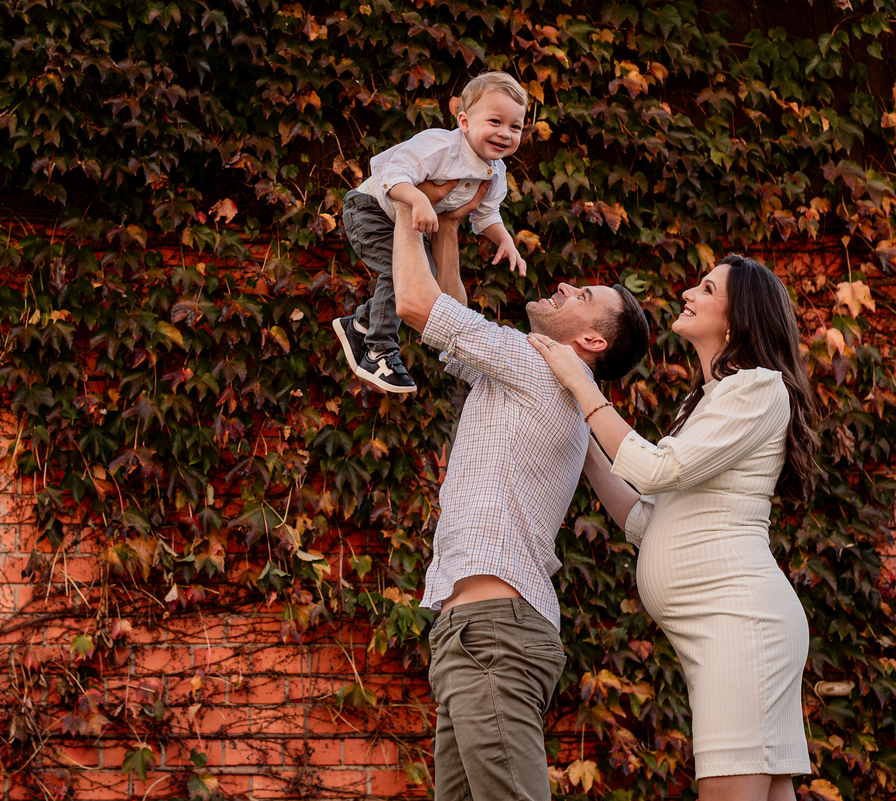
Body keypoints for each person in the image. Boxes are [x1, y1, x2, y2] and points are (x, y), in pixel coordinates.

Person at [387, 188, 650, 800]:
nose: (566, 288)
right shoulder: (536, 377)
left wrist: (406, 198)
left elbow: (415, 302)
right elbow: (457, 321)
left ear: (591, 342)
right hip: (477, 632)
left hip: (492, 632)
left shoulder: (536, 365)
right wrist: (450, 226)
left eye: (583, 298)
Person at [527, 255, 820, 801]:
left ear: (738, 320)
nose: (688, 291)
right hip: (726, 627)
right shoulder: (707, 400)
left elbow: (658, 467)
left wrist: (580, 384)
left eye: (706, 288)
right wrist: (583, 433)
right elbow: (645, 516)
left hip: (740, 623)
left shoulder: (758, 388)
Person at [333, 71, 529, 395]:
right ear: (464, 122)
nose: (505, 133)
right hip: (370, 208)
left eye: (515, 126)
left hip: (402, 222)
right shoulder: (439, 145)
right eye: (495, 122)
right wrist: (418, 198)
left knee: (425, 273)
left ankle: (361, 324)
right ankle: (377, 349)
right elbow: (393, 173)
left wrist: (505, 239)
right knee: (401, 274)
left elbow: (486, 213)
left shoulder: (496, 174)